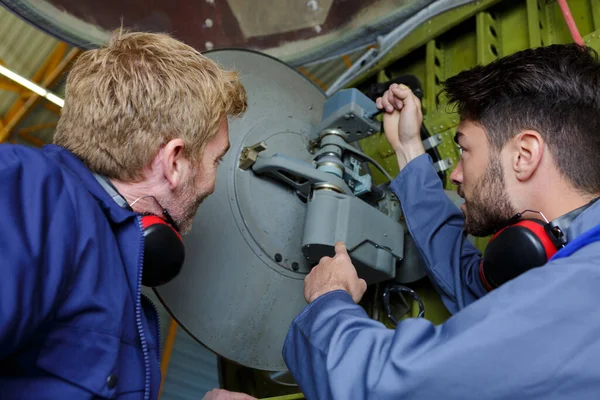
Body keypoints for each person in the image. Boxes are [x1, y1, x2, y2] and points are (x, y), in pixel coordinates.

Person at [282, 43, 600, 399]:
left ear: (524, 155)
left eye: (464, 149)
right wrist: (407, 148)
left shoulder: (585, 292)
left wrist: (328, 300)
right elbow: (475, 291)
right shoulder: (572, 251)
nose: (457, 174)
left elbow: (386, 387)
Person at [0, 30, 255, 400]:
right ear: (174, 161)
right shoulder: (28, 192)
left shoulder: (107, 252)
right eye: (215, 160)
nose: (213, 183)